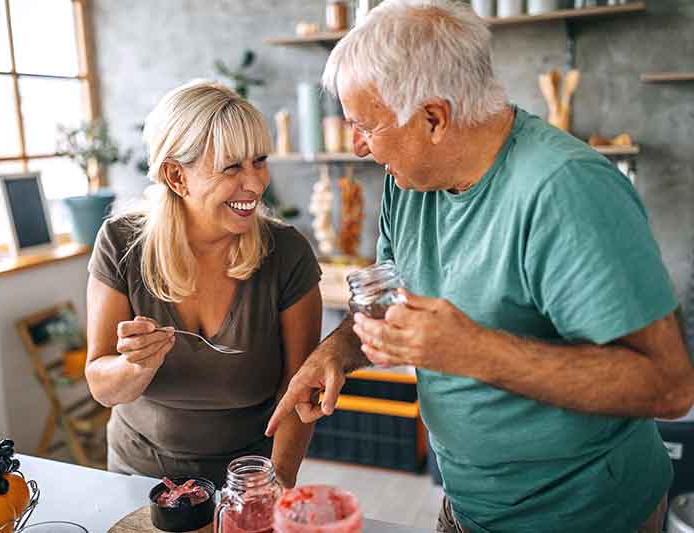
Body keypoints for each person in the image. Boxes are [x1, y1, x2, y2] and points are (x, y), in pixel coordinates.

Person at [266, 1, 694, 531]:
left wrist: (475, 352)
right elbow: (389, 307)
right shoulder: (409, 183)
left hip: (587, 518)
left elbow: (670, 387)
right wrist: (335, 354)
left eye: (365, 126)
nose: (358, 147)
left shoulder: (567, 191)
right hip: (467, 508)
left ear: (433, 118)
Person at [86, 80, 321, 488]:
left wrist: (275, 485)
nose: (255, 183)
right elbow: (102, 386)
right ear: (177, 177)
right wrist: (136, 366)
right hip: (137, 475)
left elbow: (297, 390)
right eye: (232, 167)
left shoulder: (287, 252)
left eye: (259, 160)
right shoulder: (121, 243)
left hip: (248, 480)